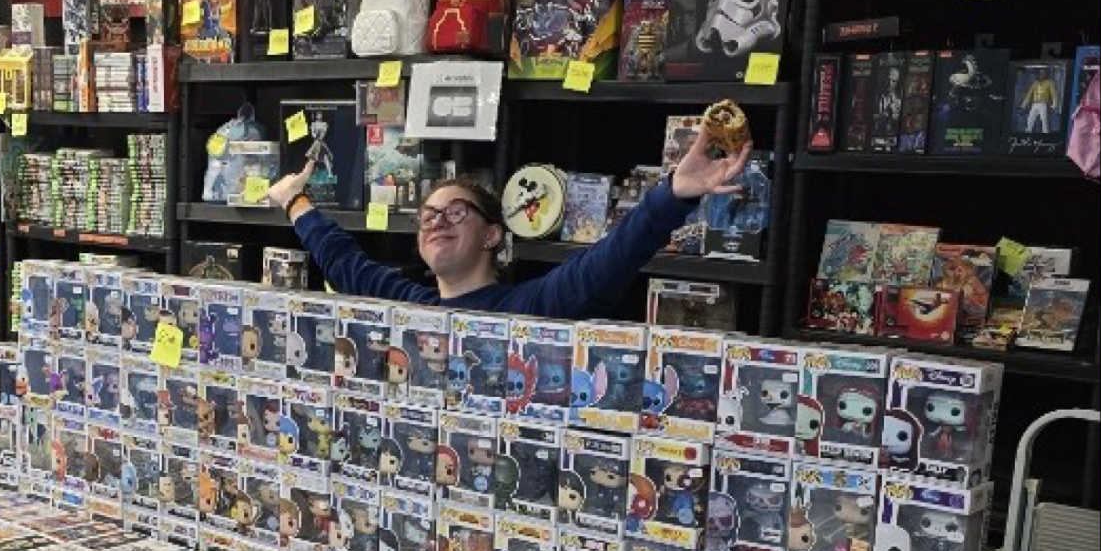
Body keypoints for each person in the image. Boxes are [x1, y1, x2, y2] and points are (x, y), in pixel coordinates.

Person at [264, 126, 751, 319]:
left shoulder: (528, 306)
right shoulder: (409, 303)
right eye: (428, 217)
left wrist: (672, 195)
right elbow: (343, 262)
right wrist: (295, 201)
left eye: (456, 212)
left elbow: (608, 260)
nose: (437, 222)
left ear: (492, 234)